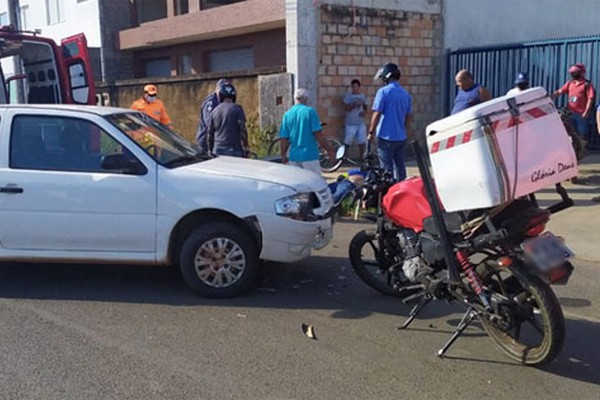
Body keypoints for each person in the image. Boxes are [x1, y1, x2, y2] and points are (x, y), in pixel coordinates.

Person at [368, 63, 412, 182]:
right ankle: (402, 191)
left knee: (386, 169)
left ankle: (388, 194)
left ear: (386, 77)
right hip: (401, 137)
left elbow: (377, 114)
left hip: (386, 136)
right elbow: (408, 117)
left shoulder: (383, 92)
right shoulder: (406, 94)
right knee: (400, 166)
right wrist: (405, 131)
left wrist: (370, 132)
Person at [279, 88, 335, 176]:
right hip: (310, 156)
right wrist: (329, 149)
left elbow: (284, 139)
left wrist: (283, 154)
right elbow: (318, 134)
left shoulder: (287, 114)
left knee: (297, 186)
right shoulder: (310, 112)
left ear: (295, 99)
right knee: (314, 185)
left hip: (294, 157)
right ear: (306, 99)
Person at [552, 63, 595, 137]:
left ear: (581, 72)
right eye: (572, 72)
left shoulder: (587, 84)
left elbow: (590, 99)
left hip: (581, 114)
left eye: (575, 72)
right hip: (570, 113)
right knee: (570, 134)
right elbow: (560, 91)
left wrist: (586, 112)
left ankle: (582, 148)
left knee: (581, 134)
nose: (572, 74)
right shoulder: (570, 83)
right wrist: (551, 96)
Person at [206, 83, 249, 157]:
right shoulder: (237, 109)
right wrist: (246, 147)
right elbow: (242, 129)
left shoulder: (214, 111)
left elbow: (210, 133)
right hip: (235, 150)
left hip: (217, 150)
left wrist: (210, 150)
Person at [195, 78, 231, 154]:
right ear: (217, 90)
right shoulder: (211, 102)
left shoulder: (226, 102)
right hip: (205, 142)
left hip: (217, 142)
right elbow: (209, 122)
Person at [343, 79, 368, 160]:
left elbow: (365, 106)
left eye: (356, 86)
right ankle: (345, 157)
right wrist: (353, 105)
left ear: (359, 87)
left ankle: (362, 158)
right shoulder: (348, 96)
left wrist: (364, 112)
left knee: (362, 141)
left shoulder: (362, 96)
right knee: (348, 141)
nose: (355, 88)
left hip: (360, 122)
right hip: (351, 122)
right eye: (353, 86)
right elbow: (345, 107)